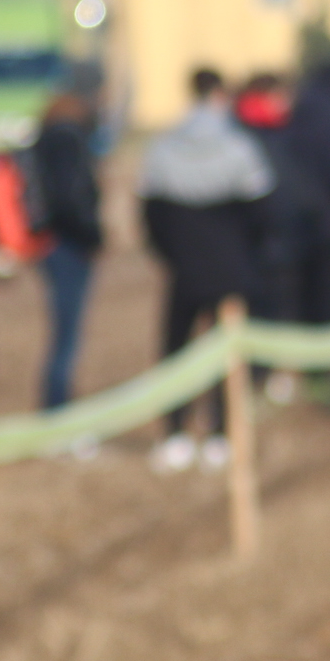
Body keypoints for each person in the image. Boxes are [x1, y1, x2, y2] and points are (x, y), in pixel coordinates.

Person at [139, 66, 276, 472]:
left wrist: (173, 254)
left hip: (184, 267)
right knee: (225, 355)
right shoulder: (240, 147)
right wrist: (244, 253)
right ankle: (220, 434)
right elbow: (262, 212)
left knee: (176, 351)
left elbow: (150, 214)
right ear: (219, 94)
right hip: (229, 266)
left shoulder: (163, 147)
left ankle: (175, 434)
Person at [26, 90, 106, 412]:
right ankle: (59, 411)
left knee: (64, 335)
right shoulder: (67, 141)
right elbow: (70, 197)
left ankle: (58, 407)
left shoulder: (42, 142)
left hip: (50, 244)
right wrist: (92, 237)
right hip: (68, 246)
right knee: (67, 337)